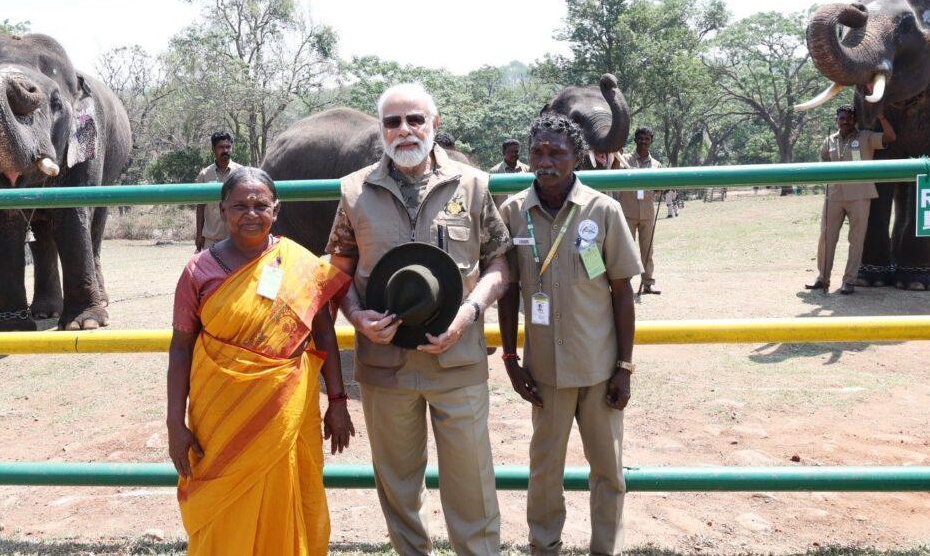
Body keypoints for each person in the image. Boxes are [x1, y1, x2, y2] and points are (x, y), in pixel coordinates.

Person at [326, 82, 511, 555]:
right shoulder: (354, 191)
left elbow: (498, 263)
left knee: (473, 487)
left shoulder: (472, 184)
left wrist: (470, 313)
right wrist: (355, 316)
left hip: (458, 360)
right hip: (385, 366)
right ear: (381, 131)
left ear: (435, 125)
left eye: (415, 120)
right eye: (393, 122)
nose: (405, 131)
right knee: (399, 490)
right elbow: (338, 270)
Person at [168, 167, 355, 555]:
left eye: (260, 205)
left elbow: (324, 335)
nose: (250, 214)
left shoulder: (300, 264)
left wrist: (337, 402)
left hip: (286, 408)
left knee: (289, 492)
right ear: (222, 210)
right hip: (218, 415)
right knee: (222, 501)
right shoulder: (198, 270)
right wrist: (174, 422)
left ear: (277, 210)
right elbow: (181, 347)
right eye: (239, 206)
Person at [498, 114, 642, 556]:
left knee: (608, 471)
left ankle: (606, 549)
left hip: (599, 369)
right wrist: (510, 360)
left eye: (557, 152)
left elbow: (622, 292)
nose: (546, 161)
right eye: (538, 151)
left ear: (576, 156)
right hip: (543, 372)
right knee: (544, 471)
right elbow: (508, 293)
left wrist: (624, 368)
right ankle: (544, 547)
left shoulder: (603, 210)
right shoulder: (512, 212)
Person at [806, 104, 896, 295]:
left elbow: (890, 137)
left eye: (848, 118)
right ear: (836, 120)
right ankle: (823, 278)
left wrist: (881, 118)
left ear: (855, 120)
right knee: (826, 238)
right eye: (841, 118)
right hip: (834, 195)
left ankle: (849, 280)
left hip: (860, 195)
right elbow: (823, 161)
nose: (845, 121)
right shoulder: (829, 140)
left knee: (856, 240)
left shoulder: (866, 137)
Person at [613, 127, 662, 297]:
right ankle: (624, 285)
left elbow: (658, 189)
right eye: (640, 138)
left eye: (647, 138)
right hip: (627, 212)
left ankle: (648, 283)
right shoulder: (624, 159)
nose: (643, 141)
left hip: (647, 213)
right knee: (626, 250)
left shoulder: (656, 165)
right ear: (635, 140)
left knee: (647, 250)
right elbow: (613, 173)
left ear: (651, 141)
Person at [194, 131, 243, 252]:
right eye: (221, 147)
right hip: (211, 240)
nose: (225, 150)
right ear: (213, 149)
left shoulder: (241, 172)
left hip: (235, 240)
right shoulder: (204, 175)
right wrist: (199, 235)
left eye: (228, 147)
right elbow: (200, 207)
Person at [488, 139, 530, 207]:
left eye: (516, 152)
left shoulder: (527, 170)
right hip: (502, 215)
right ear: (504, 152)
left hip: (522, 214)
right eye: (511, 152)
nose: (514, 154)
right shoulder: (494, 172)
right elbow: (489, 198)